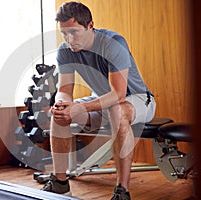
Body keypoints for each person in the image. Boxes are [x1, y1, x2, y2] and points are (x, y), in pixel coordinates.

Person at [41, 2, 156, 200]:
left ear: (90, 25)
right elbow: (64, 89)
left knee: (117, 111)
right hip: (103, 101)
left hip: (137, 99)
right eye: (64, 33)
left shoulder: (113, 43)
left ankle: (122, 191)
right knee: (58, 117)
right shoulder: (65, 51)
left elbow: (118, 94)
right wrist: (62, 104)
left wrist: (79, 107)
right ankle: (60, 183)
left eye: (74, 32)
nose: (69, 39)